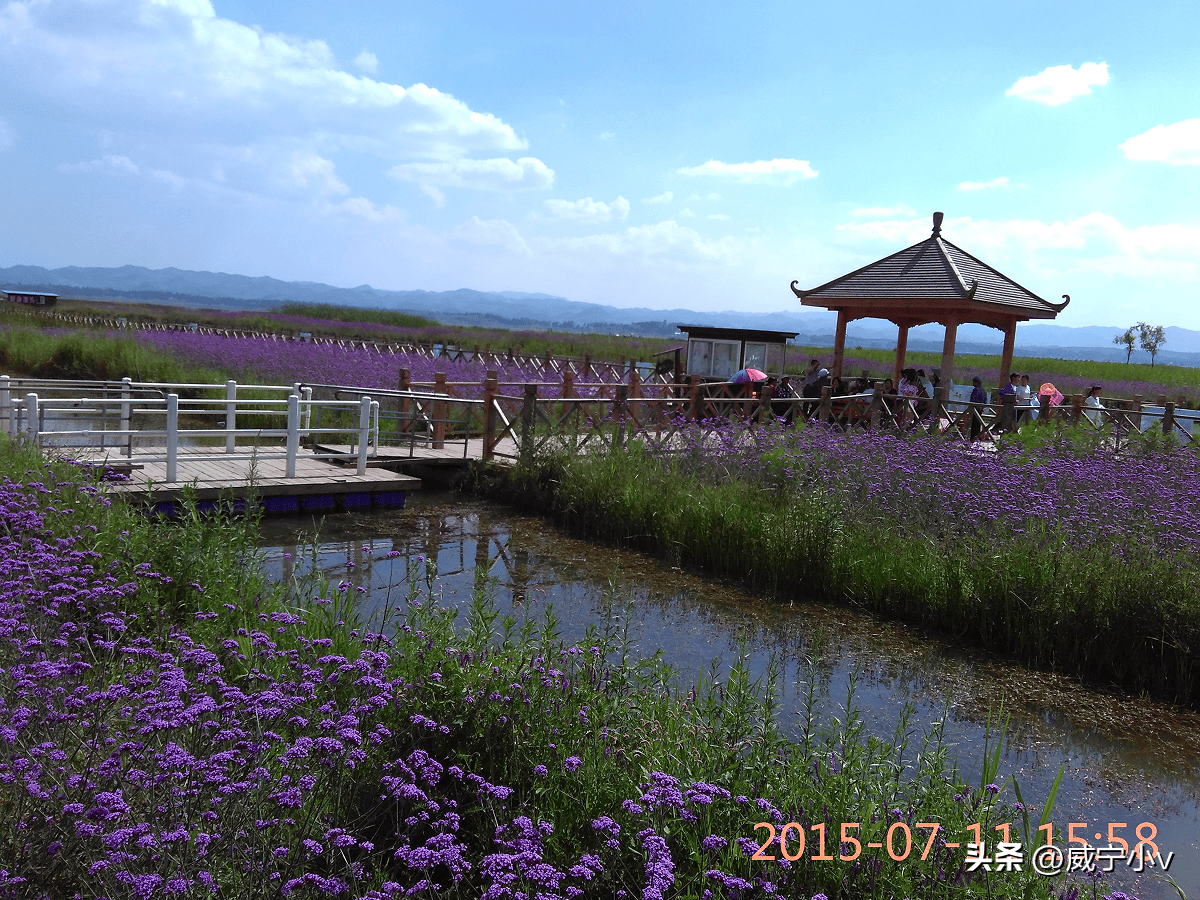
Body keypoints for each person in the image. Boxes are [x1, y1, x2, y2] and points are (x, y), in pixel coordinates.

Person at [969, 375, 987, 440]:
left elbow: (973, 400)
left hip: (975, 409)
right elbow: (985, 400)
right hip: (980, 409)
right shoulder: (984, 391)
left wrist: (970, 408)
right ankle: (977, 436)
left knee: (974, 424)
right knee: (978, 424)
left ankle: (973, 437)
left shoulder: (975, 390)